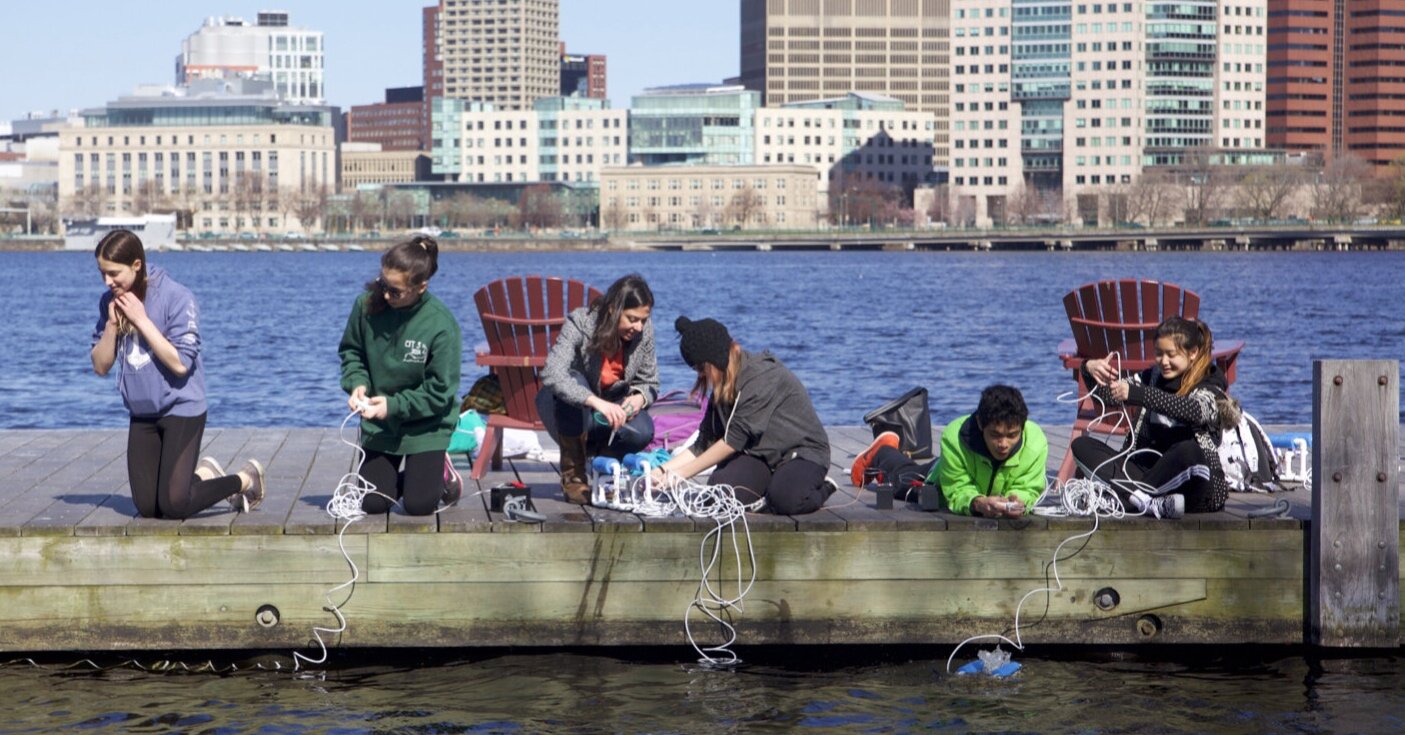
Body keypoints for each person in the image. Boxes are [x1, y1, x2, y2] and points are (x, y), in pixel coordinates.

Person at [90, 229, 265, 519]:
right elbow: (100, 366)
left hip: (183, 409)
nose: (108, 282)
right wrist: (111, 325)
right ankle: (204, 475)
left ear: (136, 265)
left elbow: (181, 363)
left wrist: (141, 320)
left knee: (174, 505)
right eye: (102, 274)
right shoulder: (109, 301)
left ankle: (244, 480)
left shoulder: (177, 297)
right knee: (147, 507)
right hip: (142, 412)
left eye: (113, 273)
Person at [652, 317, 834, 515]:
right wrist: (661, 472)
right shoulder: (722, 386)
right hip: (758, 454)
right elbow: (703, 444)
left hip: (802, 453)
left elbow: (732, 441)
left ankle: (824, 488)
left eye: (700, 369)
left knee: (786, 499)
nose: (700, 376)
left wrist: (680, 475)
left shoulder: (761, 378)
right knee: (721, 492)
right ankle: (769, 487)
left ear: (714, 359)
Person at [339, 235, 462, 516]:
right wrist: (357, 383)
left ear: (421, 287)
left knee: (419, 505)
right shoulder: (365, 306)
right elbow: (351, 352)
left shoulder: (441, 324)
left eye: (395, 291)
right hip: (381, 427)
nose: (385, 295)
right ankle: (415, 479)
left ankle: (440, 474)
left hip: (426, 425)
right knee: (373, 503)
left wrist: (392, 406)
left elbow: (440, 392)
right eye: (383, 285)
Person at [1068, 316, 1229, 519]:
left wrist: (1138, 394)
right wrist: (1089, 368)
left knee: (1188, 450)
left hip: (1191, 485)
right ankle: (1146, 502)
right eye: (1159, 354)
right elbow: (1107, 395)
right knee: (1082, 445)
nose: (1164, 362)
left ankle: (1128, 501)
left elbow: (1195, 410)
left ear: (1193, 353)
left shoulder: (1211, 383)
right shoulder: (1152, 377)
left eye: (1171, 355)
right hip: (1143, 475)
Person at [537, 273, 658, 504]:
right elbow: (552, 373)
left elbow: (650, 382)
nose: (639, 326)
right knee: (574, 380)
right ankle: (574, 478)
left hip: (611, 416)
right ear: (613, 309)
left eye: (643, 320)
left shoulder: (644, 331)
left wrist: (639, 399)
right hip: (568, 415)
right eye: (632, 319)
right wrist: (595, 401)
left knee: (644, 429)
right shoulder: (580, 322)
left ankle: (605, 472)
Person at [849, 385, 1047, 518]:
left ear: (1022, 427)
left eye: (1012, 435)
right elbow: (957, 490)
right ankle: (882, 451)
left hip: (973, 480)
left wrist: (1020, 500)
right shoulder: (955, 437)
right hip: (940, 480)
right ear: (980, 423)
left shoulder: (1035, 442)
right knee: (900, 480)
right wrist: (977, 503)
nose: (1003, 444)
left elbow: (1029, 488)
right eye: (995, 435)